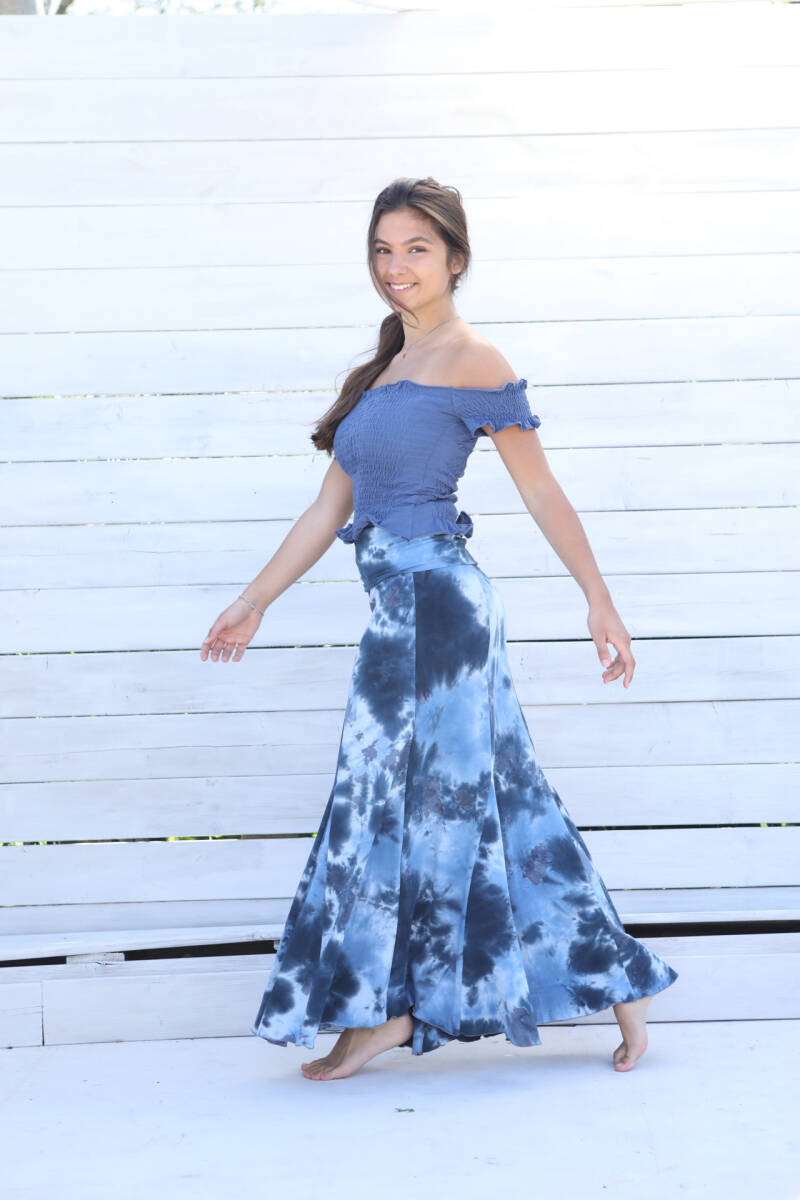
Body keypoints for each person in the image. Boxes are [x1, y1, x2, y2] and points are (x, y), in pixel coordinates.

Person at [200, 176, 679, 1082]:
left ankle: (396, 1010)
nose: (396, 266)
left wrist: (599, 599)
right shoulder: (385, 369)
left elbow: (540, 488)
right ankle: (614, 978)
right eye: (383, 250)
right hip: (401, 610)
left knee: (405, 804)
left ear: (456, 259)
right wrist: (255, 599)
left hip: (440, 610)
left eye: (416, 249)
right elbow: (329, 508)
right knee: (493, 800)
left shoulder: (473, 358)